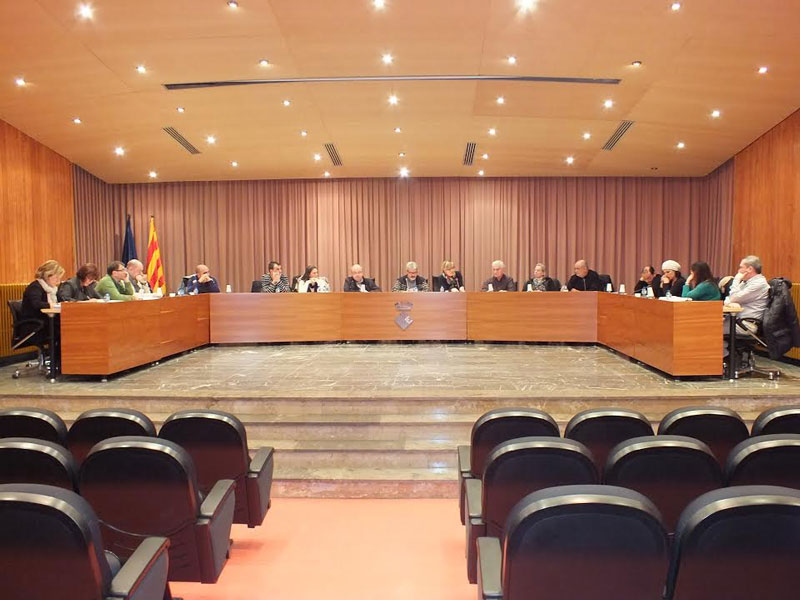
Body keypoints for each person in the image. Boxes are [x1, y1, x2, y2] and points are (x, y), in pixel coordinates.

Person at [21, 260, 65, 346]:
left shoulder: (53, 289)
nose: (58, 281)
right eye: (56, 277)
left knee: (67, 326)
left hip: (47, 322)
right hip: (35, 325)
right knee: (64, 329)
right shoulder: (35, 287)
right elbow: (36, 304)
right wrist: (52, 305)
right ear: (47, 275)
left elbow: (61, 302)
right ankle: (57, 354)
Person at [727, 255, 769, 320]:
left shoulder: (759, 284)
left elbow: (733, 298)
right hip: (736, 319)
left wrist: (736, 279)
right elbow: (729, 298)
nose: (738, 271)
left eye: (741, 267)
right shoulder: (747, 282)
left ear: (750, 269)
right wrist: (730, 303)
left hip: (747, 322)